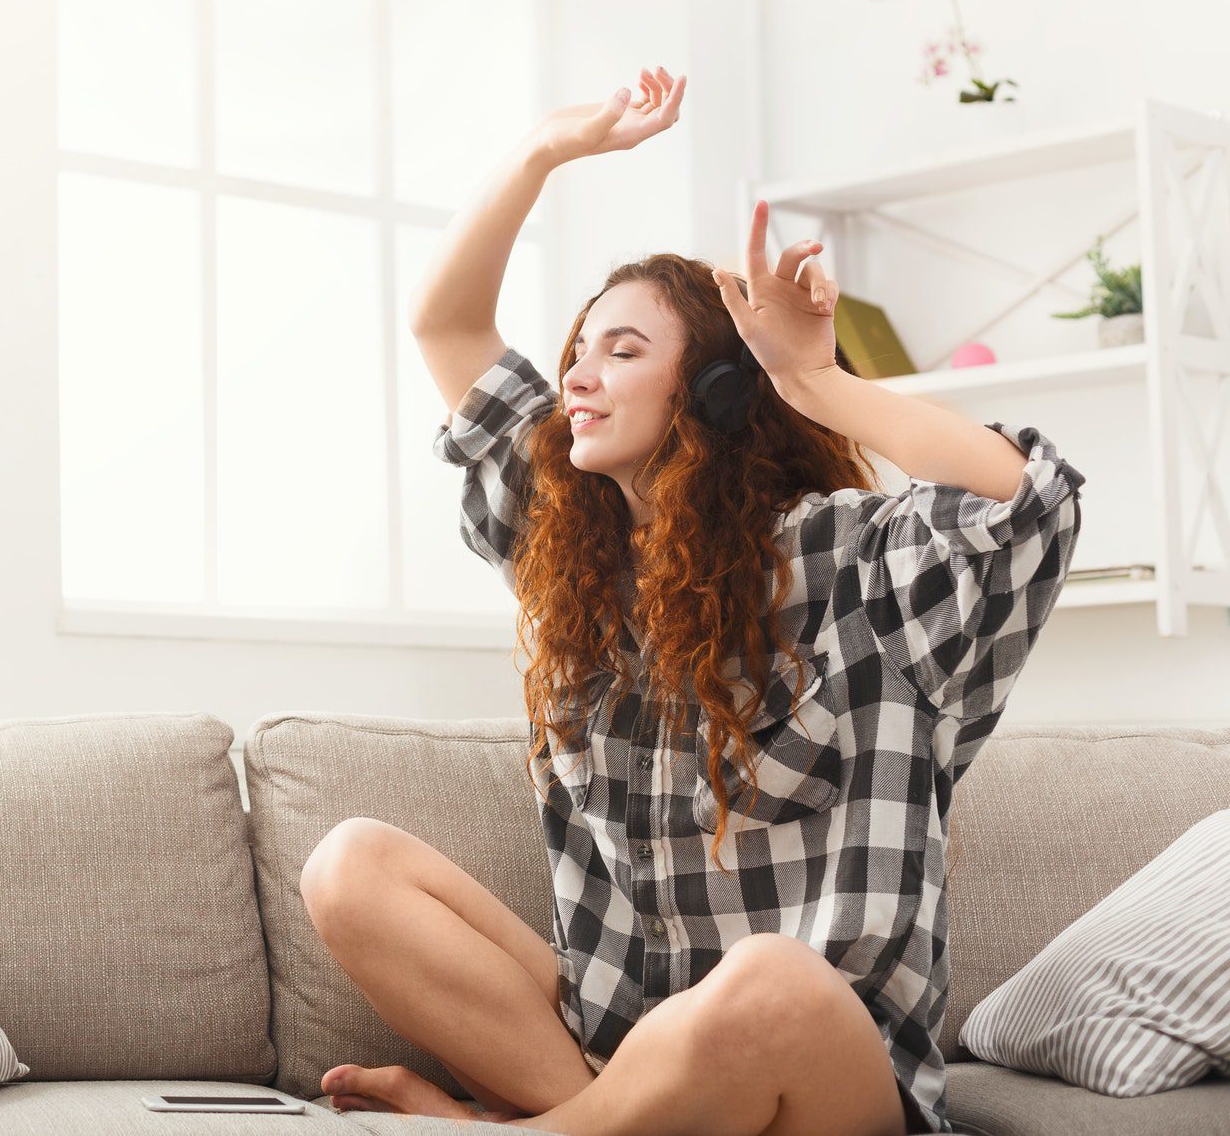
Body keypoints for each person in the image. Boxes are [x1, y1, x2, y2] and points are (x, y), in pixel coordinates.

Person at [298, 67, 1086, 1135]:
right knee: (348, 866)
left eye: (620, 353)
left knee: (771, 982)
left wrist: (814, 383)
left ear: (716, 397)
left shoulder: (849, 565)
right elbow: (446, 327)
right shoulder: (571, 553)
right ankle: (586, 1123)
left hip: (811, 1078)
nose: (574, 375)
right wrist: (543, 151)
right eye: (577, 349)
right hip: (621, 1062)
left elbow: (1027, 503)